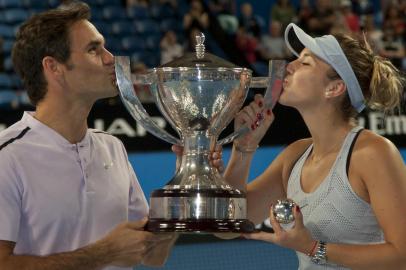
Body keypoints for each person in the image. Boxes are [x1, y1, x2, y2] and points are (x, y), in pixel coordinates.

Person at [0, 2, 178, 269]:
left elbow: (152, 254)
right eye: (93, 49)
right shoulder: (7, 157)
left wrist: (184, 185)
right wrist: (102, 253)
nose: (110, 59)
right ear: (54, 67)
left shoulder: (113, 147)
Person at [224, 22, 406, 269]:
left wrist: (312, 247)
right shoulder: (294, 156)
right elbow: (228, 226)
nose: (289, 66)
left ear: (334, 88)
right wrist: (243, 150)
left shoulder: (373, 153)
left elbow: (402, 256)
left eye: (305, 62)